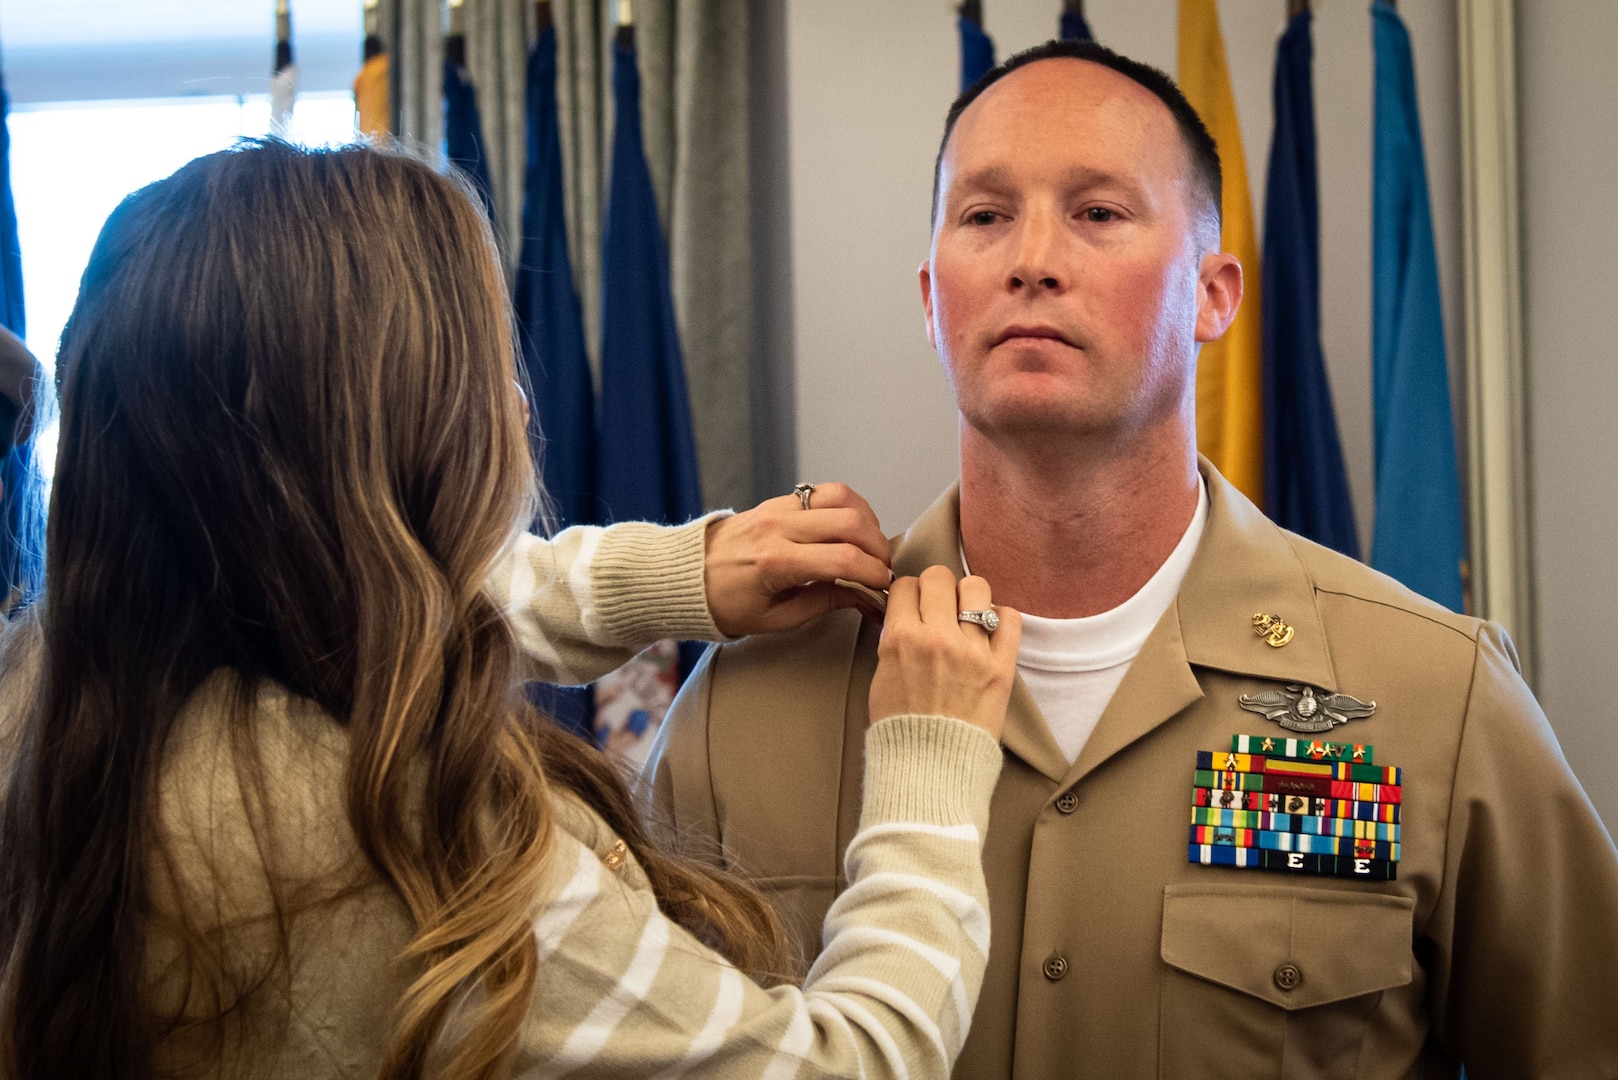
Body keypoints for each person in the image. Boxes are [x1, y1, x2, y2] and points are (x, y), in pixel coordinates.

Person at [648, 38, 1618, 1080]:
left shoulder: (1430, 697)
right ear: (934, 300)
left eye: (1098, 212)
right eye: (984, 216)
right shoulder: (744, 708)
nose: (1031, 257)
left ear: (1213, 296)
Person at [0, 139, 1026, 1078]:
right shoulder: (412, 848)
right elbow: (841, 1068)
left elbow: (343, 596)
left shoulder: (48, 685)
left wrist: (675, 573)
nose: (520, 405)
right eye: (485, 358)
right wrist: (928, 765)